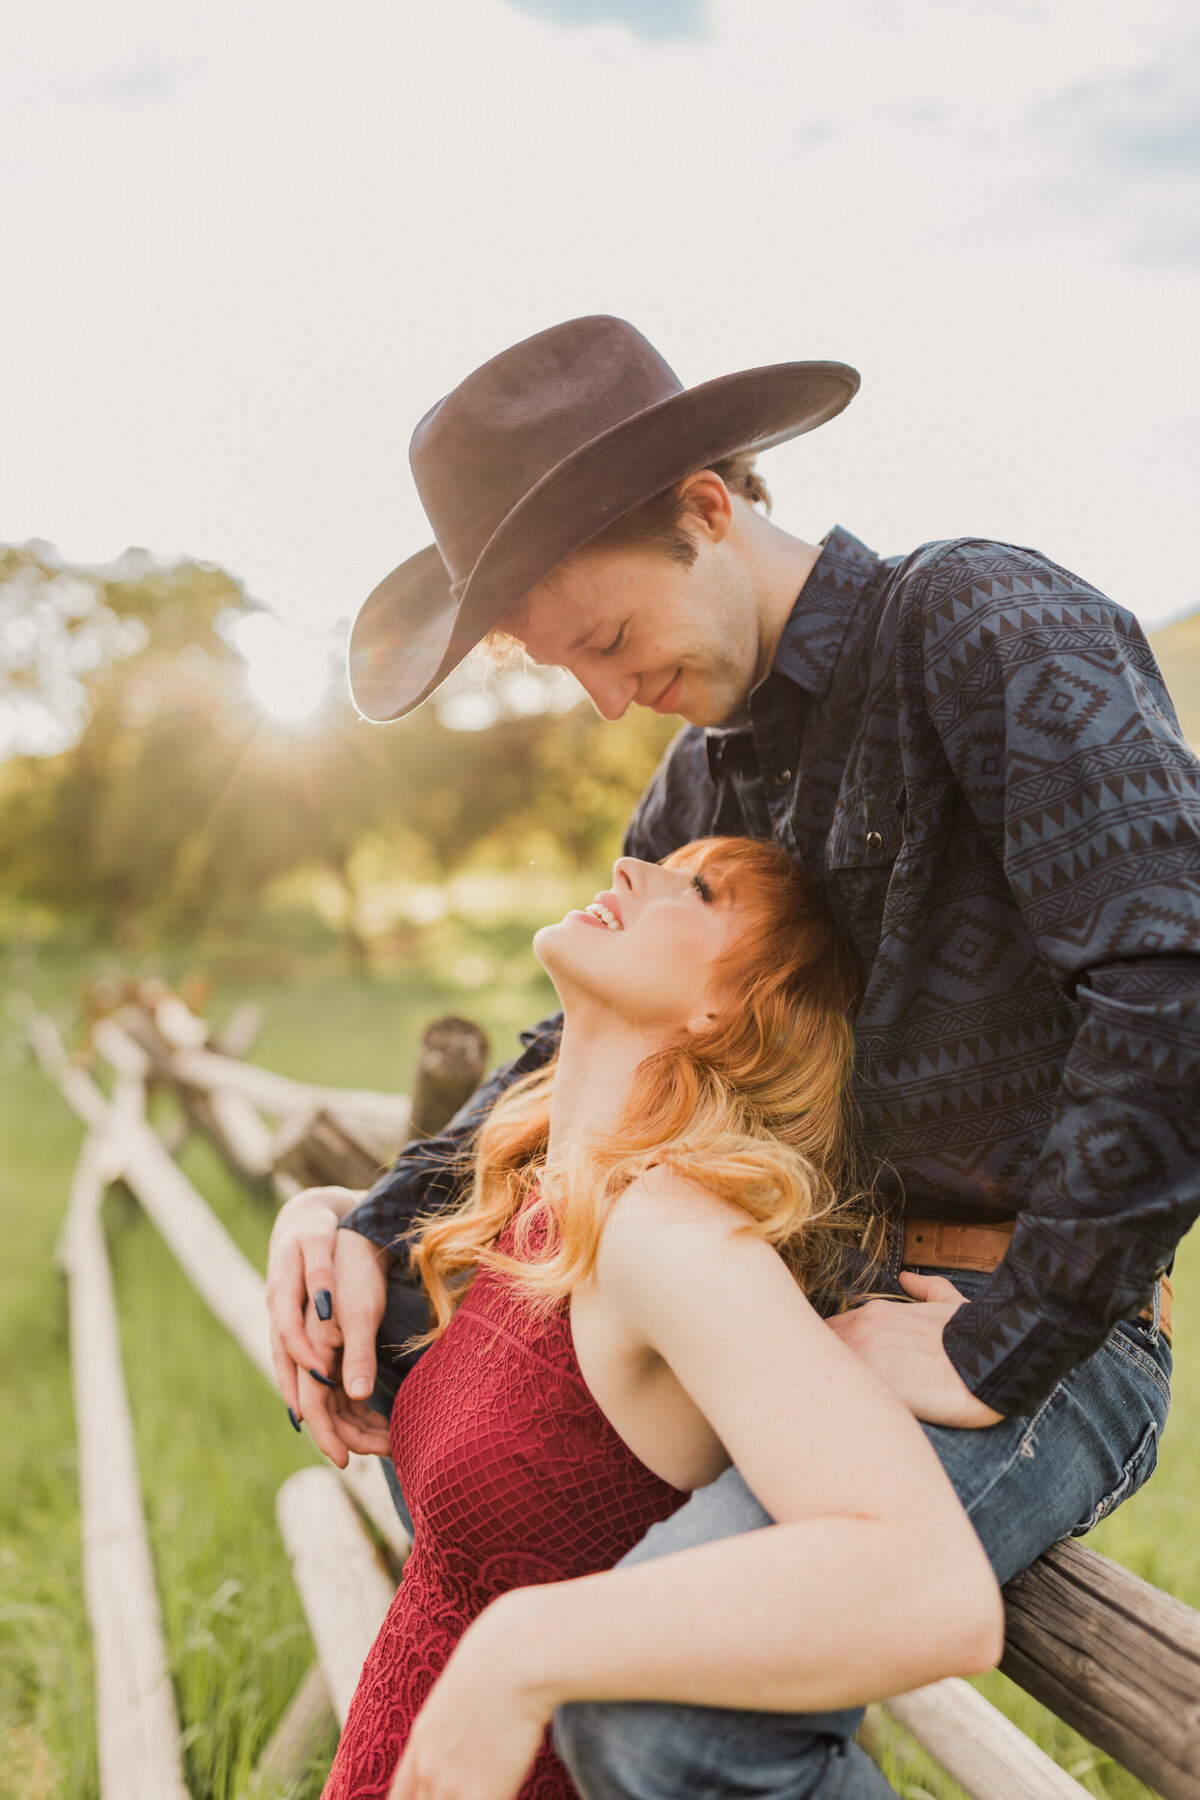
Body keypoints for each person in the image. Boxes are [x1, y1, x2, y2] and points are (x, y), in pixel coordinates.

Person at [267, 316, 1194, 1799]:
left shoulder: (975, 620)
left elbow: (1174, 975)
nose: (607, 699)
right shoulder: (706, 775)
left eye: (610, 640)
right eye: (566, 666)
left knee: (665, 1718)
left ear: (708, 506)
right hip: (793, 1313)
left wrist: (1005, 1330)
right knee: (440, 1419)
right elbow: (577, 1057)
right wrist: (357, 1230)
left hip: (1029, 1313)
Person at [314, 835, 1003, 1800]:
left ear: (730, 1011)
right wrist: (320, 1213)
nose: (632, 870)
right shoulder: (539, 1197)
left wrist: (522, 1648)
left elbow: (935, 1591)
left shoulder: (667, 1226)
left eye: (701, 889)